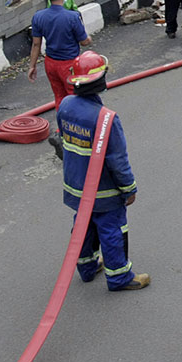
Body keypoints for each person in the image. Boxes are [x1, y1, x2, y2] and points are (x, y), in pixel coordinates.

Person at [58, 50, 150, 291]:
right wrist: (129, 189)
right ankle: (119, 276)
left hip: (76, 188)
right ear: (100, 81)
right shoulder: (106, 118)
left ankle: (87, 268)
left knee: (83, 227)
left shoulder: (65, 106)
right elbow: (118, 161)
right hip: (103, 192)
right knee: (112, 230)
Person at [29, 0, 92, 108]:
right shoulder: (73, 17)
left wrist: (32, 66)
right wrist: (89, 38)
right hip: (69, 64)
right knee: (74, 98)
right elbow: (84, 41)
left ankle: (62, 126)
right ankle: (74, 126)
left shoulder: (38, 17)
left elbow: (36, 44)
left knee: (59, 97)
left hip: (50, 64)